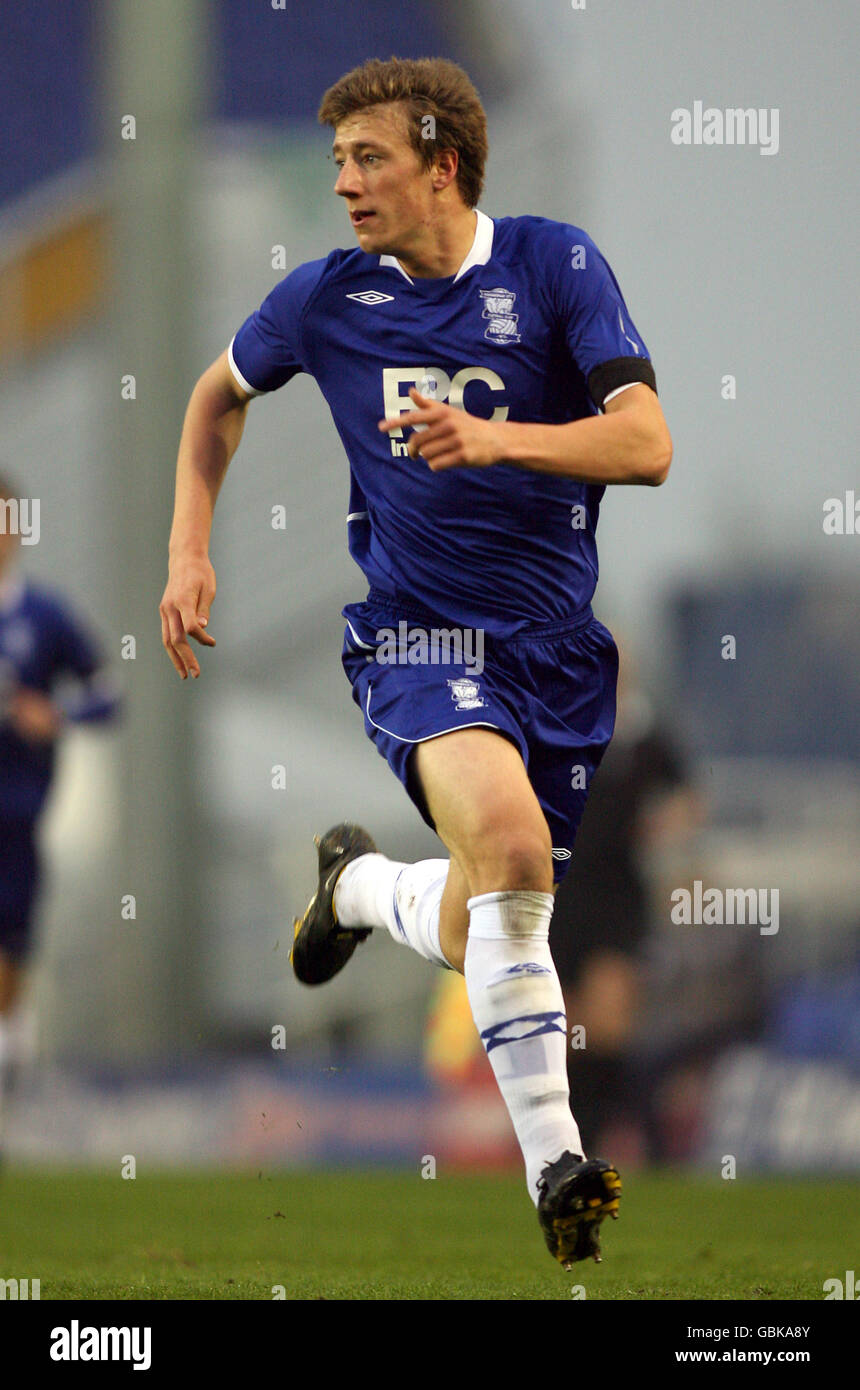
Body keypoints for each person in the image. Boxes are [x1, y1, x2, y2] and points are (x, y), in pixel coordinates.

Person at [160, 57, 672, 1268]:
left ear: (441, 163)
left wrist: (492, 436)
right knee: (500, 842)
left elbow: (646, 444)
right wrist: (189, 549)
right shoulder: (324, 300)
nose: (343, 183)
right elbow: (213, 399)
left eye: (367, 157)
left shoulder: (554, 265)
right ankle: (557, 1163)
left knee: (494, 897)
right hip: (414, 638)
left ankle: (353, 890)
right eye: (336, 161)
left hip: (552, 652)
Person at [0, 473, 120, 1150]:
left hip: (17, 813)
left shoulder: (42, 617)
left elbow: (108, 692)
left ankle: (8, 1093)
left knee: (11, 953)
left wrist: (58, 714)